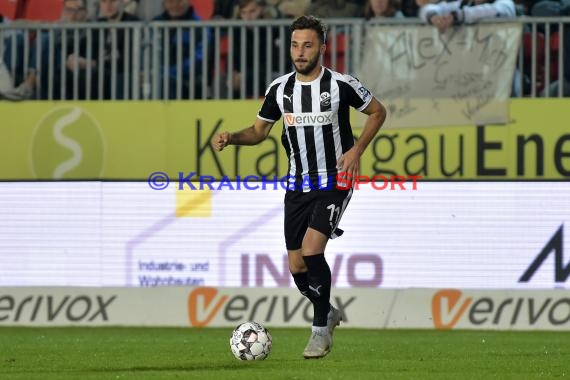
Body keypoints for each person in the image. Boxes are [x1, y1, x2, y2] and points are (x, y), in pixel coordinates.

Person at [211, 15, 386, 359]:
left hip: (335, 181)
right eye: (295, 45)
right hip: (297, 185)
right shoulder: (280, 89)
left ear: (322, 48)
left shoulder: (341, 85)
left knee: (311, 250)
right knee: (296, 267)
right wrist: (233, 137)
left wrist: (357, 150)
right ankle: (329, 310)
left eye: (307, 45)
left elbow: (378, 112)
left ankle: (320, 329)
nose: (300, 52)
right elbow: (259, 132)